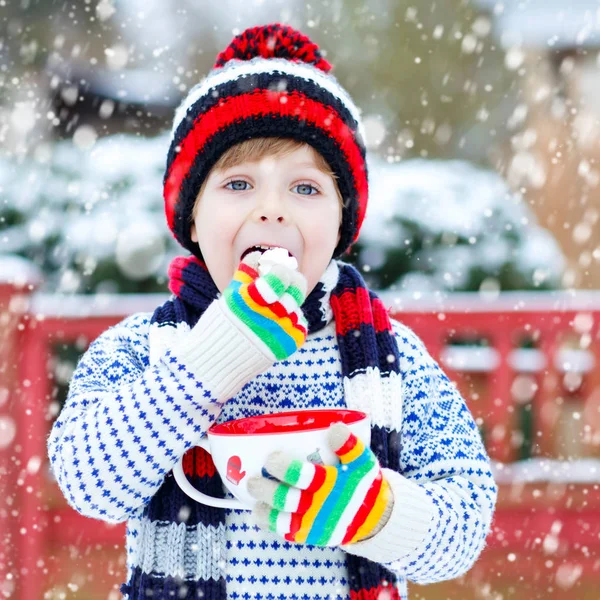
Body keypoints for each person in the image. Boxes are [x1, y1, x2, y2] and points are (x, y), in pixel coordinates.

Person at [48, 23, 497, 600]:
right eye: (237, 183)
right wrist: (212, 360)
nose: (271, 210)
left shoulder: (390, 357)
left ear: (342, 224)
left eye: (305, 189)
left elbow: (466, 516)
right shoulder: (145, 347)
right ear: (190, 218)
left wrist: (379, 513)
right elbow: (89, 483)